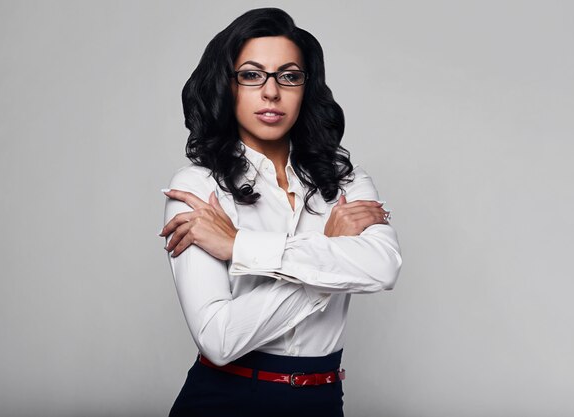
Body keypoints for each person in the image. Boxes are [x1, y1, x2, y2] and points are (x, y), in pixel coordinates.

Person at [159, 7, 402, 417]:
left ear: (306, 88)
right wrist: (329, 254)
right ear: (227, 85)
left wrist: (240, 245)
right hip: (224, 400)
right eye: (251, 75)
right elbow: (219, 340)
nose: (271, 92)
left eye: (289, 76)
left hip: (321, 401)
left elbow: (383, 268)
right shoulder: (198, 188)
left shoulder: (345, 182)